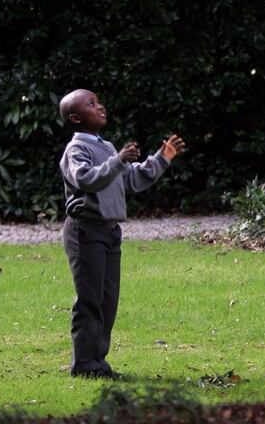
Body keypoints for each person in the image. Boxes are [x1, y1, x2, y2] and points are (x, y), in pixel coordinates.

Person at [57, 88, 186, 378]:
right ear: (76, 118)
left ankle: (97, 362)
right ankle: (85, 364)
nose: (100, 106)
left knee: (107, 300)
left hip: (109, 231)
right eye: (91, 104)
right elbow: (86, 179)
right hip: (86, 231)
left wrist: (163, 157)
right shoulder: (76, 150)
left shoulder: (105, 147)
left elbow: (132, 179)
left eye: (99, 101)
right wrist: (118, 159)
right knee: (90, 300)